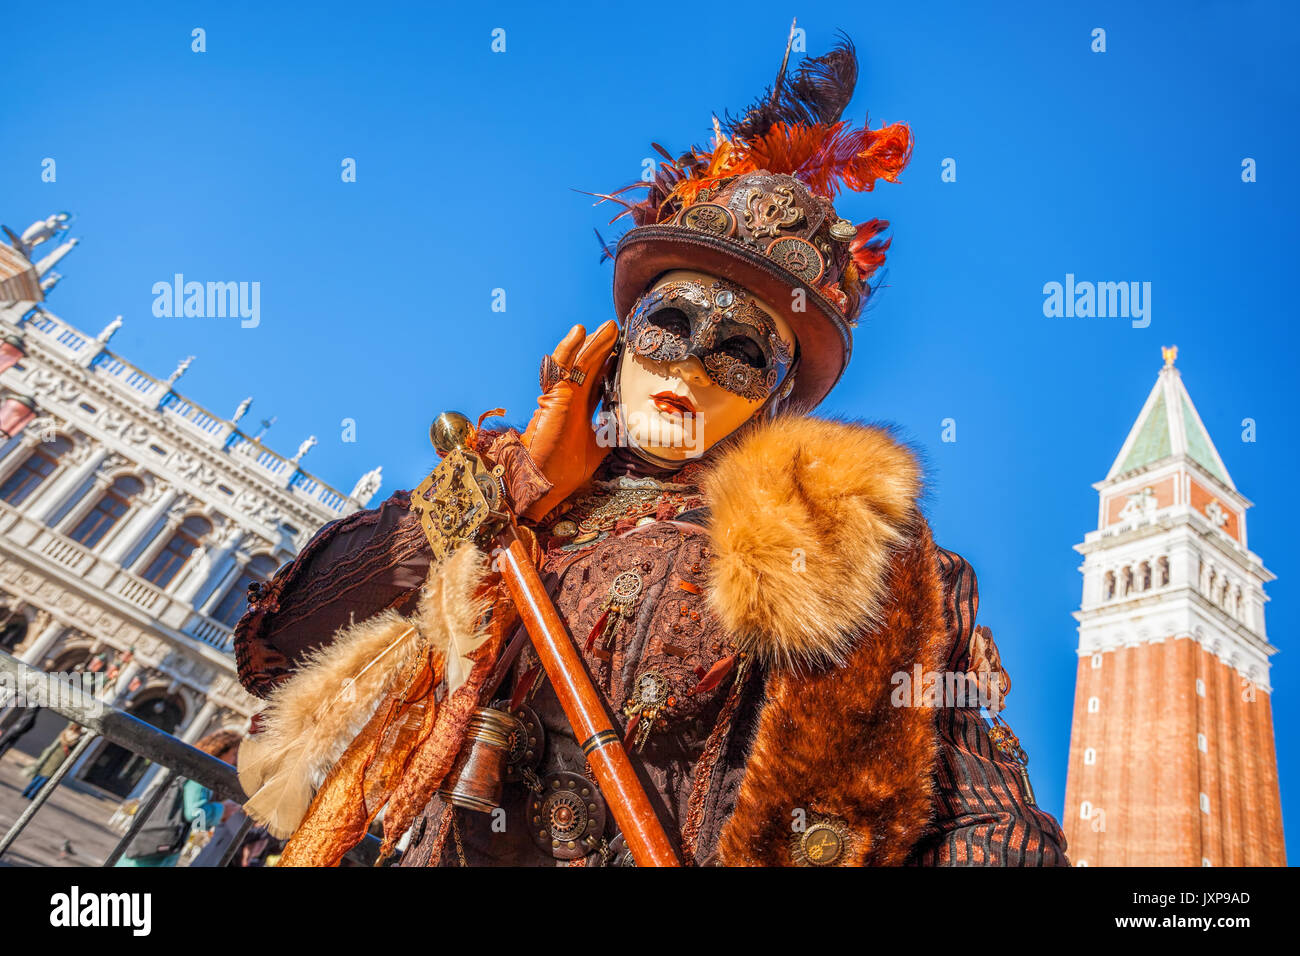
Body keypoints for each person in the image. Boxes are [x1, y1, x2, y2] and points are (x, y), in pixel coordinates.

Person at [233, 31, 1068, 867]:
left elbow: (978, 816)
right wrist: (521, 484)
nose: (694, 364)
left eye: (740, 349)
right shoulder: (502, 501)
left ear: (770, 394)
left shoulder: (855, 550)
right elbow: (282, 652)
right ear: (619, 343)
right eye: (670, 325)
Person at [114, 729, 240, 867]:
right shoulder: (199, 777)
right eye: (234, 754)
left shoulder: (191, 770)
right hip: (158, 847)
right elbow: (194, 814)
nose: (235, 761)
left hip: (153, 840)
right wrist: (222, 811)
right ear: (221, 750)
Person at [21, 722, 81, 799]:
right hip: (62, 758)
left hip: (54, 754)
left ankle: (26, 791)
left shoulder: (65, 733)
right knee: (46, 777)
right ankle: (32, 794)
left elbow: (57, 743)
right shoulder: (77, 737)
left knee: (41, 774)